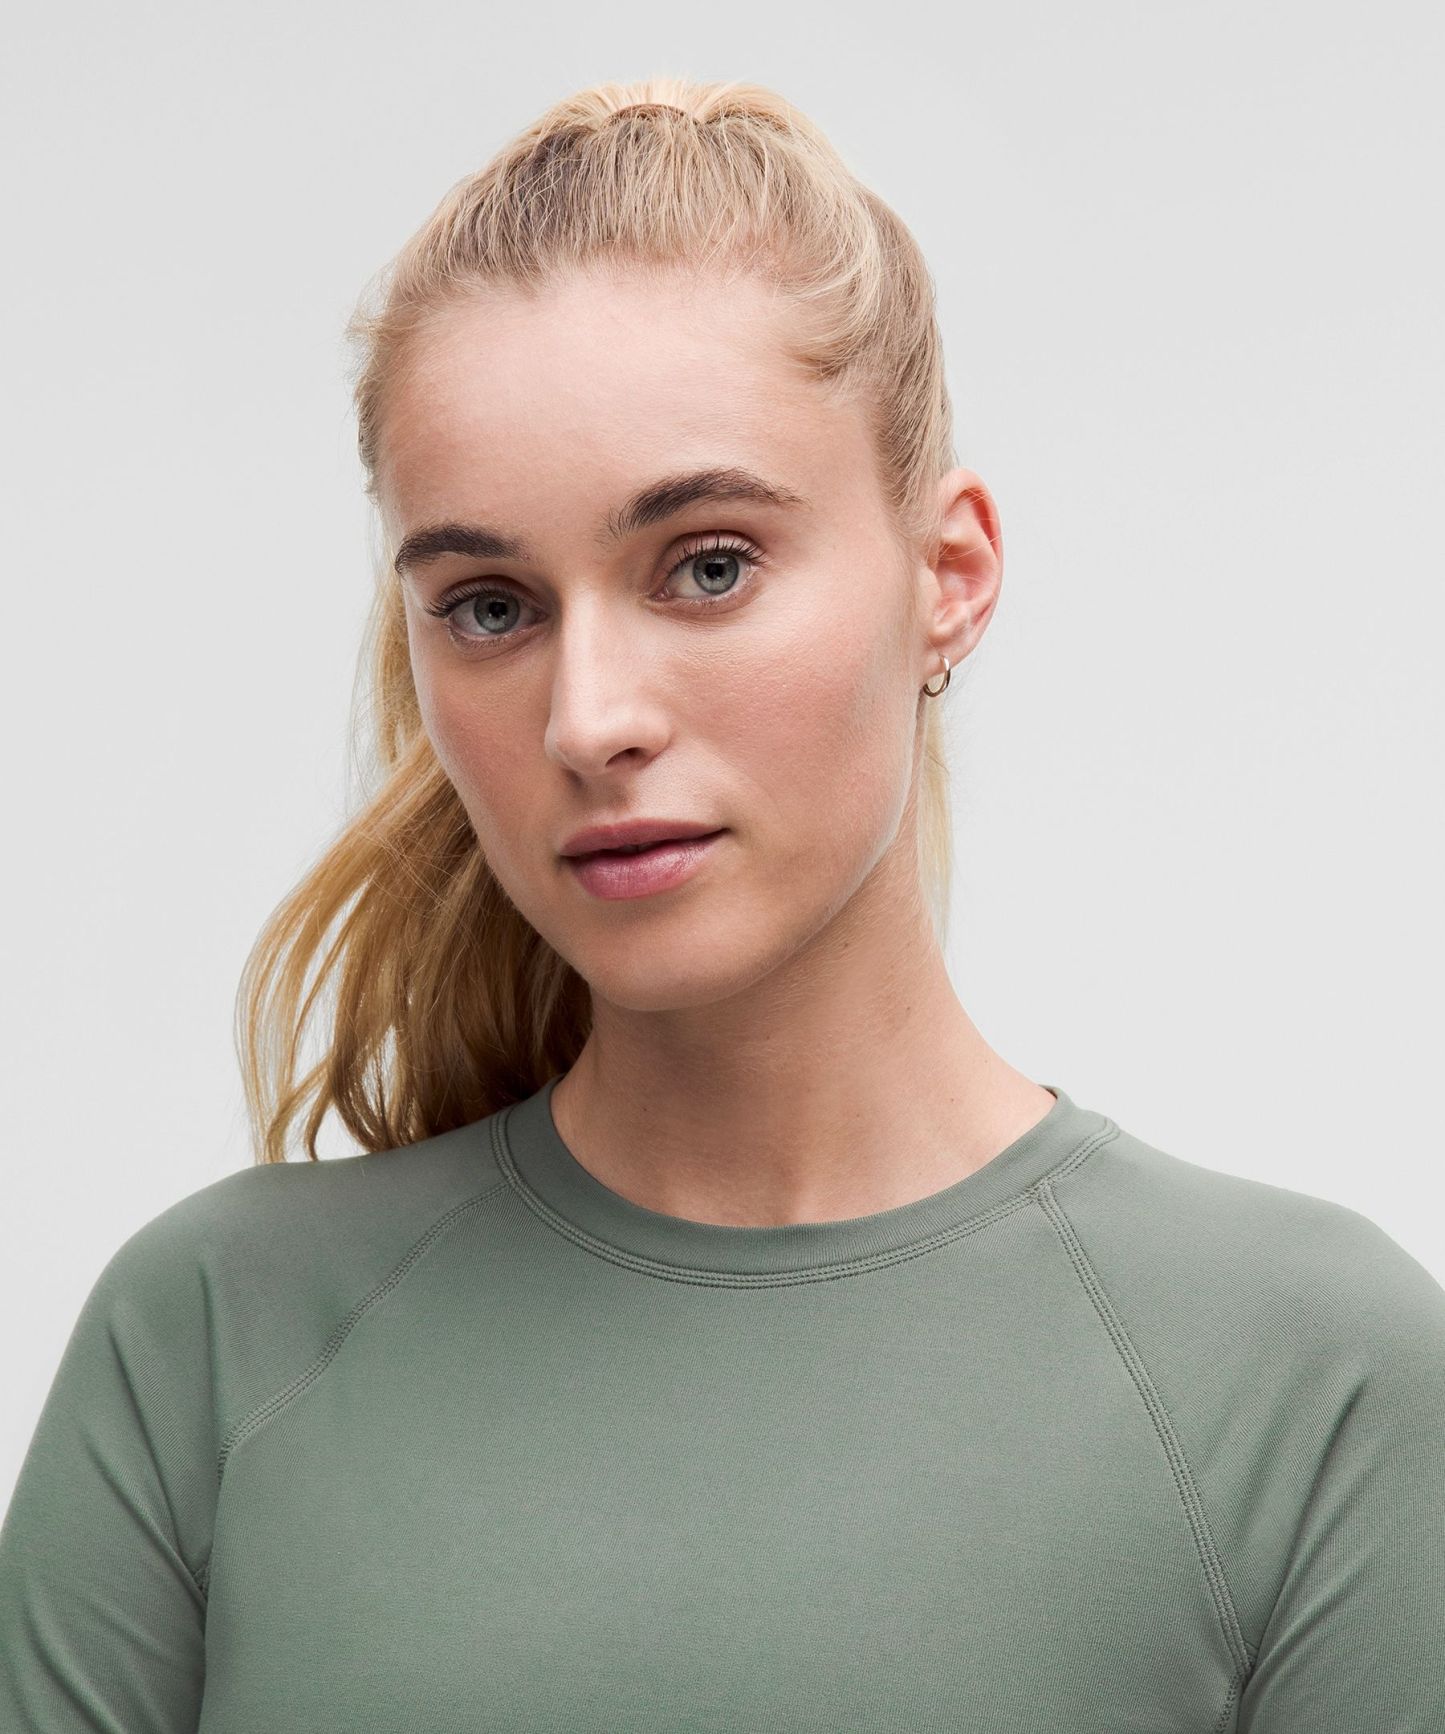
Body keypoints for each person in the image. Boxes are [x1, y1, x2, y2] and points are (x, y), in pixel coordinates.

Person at [1, 74, 1441, 1734]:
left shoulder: (1309, 1382)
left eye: (707, 565)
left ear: (948, 577)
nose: (587, 717)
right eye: (489, 606)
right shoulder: (210, 1343)